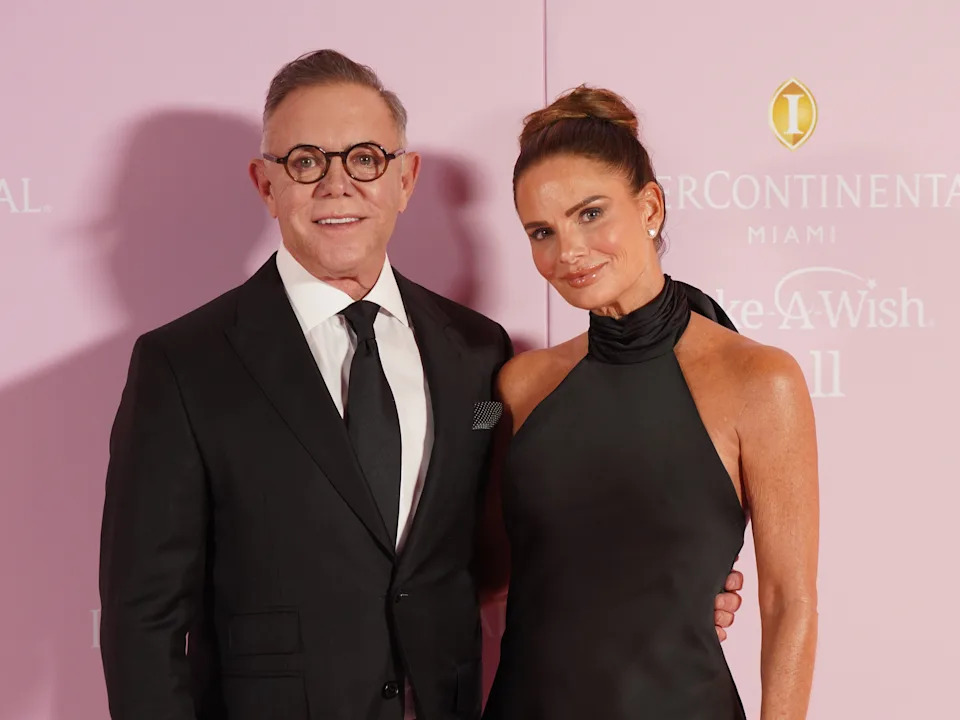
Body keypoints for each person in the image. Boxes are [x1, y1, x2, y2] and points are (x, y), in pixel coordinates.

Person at [98, 50, 744, 720]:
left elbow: (503, 541)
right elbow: (140, 620)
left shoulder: (478, 356)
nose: (336, 184)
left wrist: (668, 577)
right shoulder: (183, 366)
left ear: (405, 179)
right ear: (266, 185)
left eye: (365, 158)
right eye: (305, 161)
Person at [482, 86, 819, 720]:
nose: (568, 253)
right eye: (541, 232)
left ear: (651, 206)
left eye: (590, 213)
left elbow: (788, 601)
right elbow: (492, 571)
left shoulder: (760, 379)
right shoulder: (521, 384)